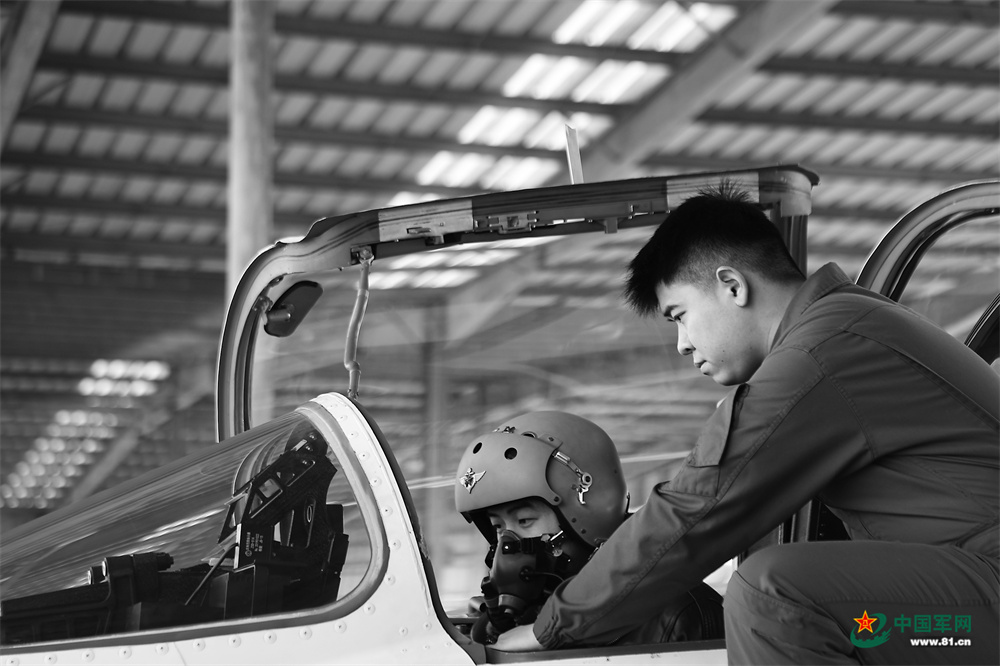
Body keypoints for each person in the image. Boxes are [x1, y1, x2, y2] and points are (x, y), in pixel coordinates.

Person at [492, 186, 999, 664]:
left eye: (679, 315)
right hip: (971, 590)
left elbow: (699, 506)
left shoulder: (819, 354)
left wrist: (551, 628)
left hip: (984, 594)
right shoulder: (848, 325)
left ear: (732, 285)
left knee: (775, 594)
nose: (682, 344)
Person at [454, 410, 725, 647]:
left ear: (585, 515)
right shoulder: (513, 620)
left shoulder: (682, 615)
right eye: (498, 527)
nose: (507, 543)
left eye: (525, 521)